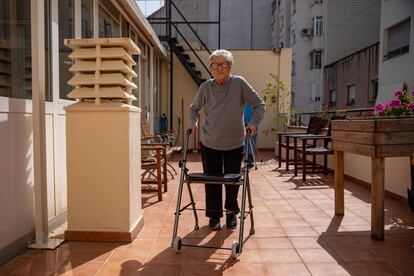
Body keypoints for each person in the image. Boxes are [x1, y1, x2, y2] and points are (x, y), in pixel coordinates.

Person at [188, 49, 265, 230]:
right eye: (216, 65)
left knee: (232, 182)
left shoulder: (239, 83)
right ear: (211, 68)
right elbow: (193, 108)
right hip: (210, 143)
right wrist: (193, 122)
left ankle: (231, 213)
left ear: (229, 67)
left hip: (234, 143)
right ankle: (214, 216)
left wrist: (253, 123)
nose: (220, 68)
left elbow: (259, 104)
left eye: (224, 65)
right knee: (212, 182)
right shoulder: (206, 87)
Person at [243, 104, 257, 168]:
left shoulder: (253, 103)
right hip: (243, 125)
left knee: (251, 144)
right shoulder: (242, 103)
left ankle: (250, 161)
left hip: (252, 125)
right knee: (244, 144)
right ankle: (246, 160)